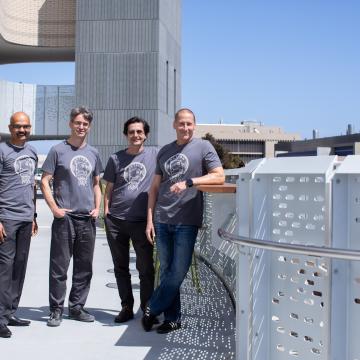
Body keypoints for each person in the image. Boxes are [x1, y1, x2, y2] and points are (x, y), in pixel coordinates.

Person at [142, 108, 225, 333]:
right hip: (162, 218)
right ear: (175, 125)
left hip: (186, 219)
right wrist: (150, 220)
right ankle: (172, 319)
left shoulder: (203, 147)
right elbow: (154, 188)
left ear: (194, 125)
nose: (185, 128)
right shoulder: (165, 152)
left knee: (179, 271)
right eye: (181, 124)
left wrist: (190, 182)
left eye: (189, 124)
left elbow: (219, 175)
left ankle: (151, 307)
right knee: (168, 270)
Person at [41, 106, 103, 327]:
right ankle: (56, 310)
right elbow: (45, 181)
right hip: (64, 218)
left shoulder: (93, 153)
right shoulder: (57, 150)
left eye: (85, 124)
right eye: (78, 123)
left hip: (87, 218)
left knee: (84, 267)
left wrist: (98, 209)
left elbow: (96, 184)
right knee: (59, 266)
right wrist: (54, 208)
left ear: (89, 126)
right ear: (70, 124)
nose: (81, 127)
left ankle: (76, 307)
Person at [103, 117, 157, 323]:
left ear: (146, 135)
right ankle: (126, 306)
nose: (136, 135)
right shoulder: (115, 159)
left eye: (139, 132)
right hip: (116, 221)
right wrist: (106, 213)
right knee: (121, 267)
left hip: (143, 221)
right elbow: (109, 188)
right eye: (131, 132)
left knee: (145, 268)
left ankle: (147, 308)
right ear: (126, 135)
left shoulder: (154, 155)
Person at [0, 112, 38, 338]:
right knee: (4, 269)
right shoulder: (2, 150)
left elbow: (31, 186)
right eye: (17, 126)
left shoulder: (32, 152)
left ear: (29, 128)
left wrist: (33, 216)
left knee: (19, 268)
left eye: (25, 127)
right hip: (6, 217)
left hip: (25, 218)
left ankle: (11, 312)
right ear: (10, 127)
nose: (21, 130)